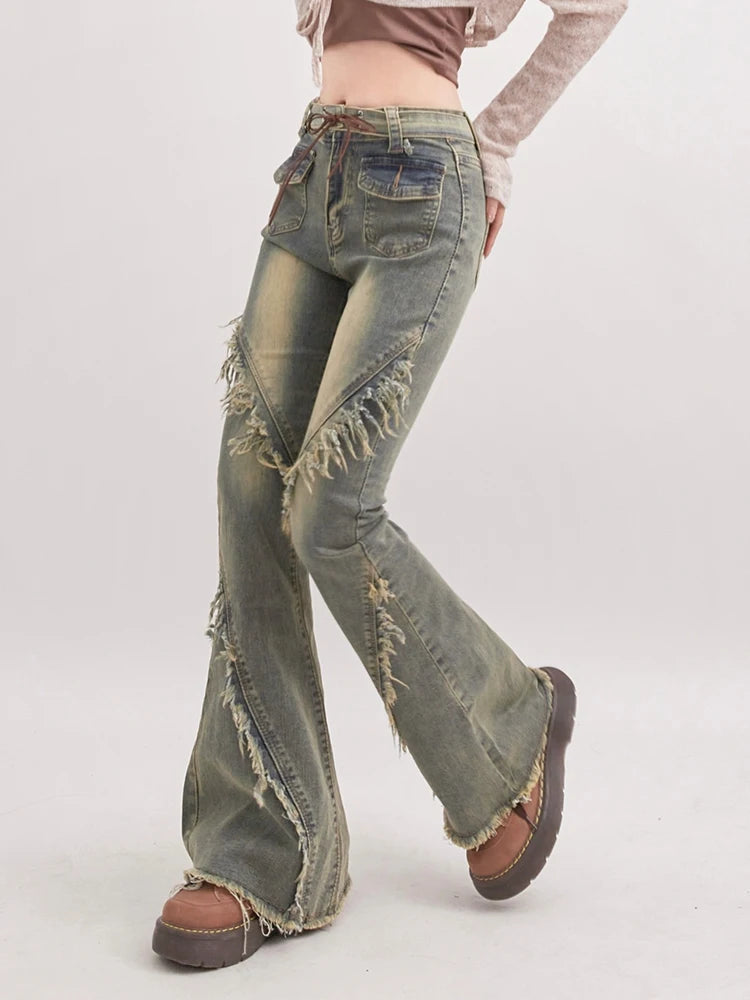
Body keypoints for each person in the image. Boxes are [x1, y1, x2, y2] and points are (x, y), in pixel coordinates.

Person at [152, 0, 627, 969]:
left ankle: (507, 731)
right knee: (252, 495)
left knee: (331, 506)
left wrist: (498, 142)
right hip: (315, 170)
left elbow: (597, 5)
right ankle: (267, 853)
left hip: (425, 180)